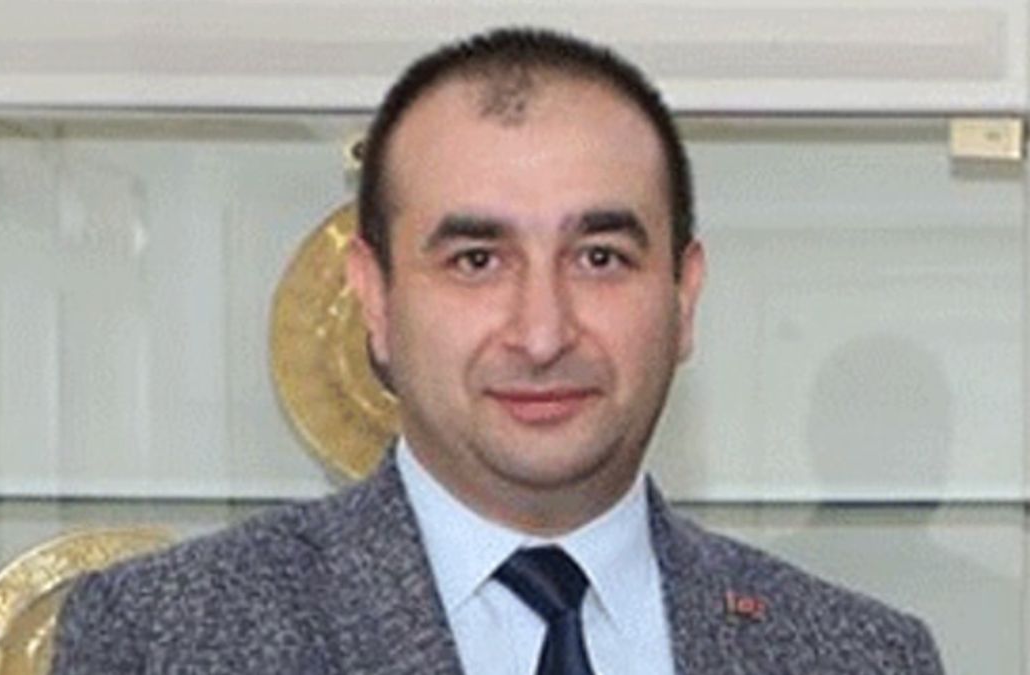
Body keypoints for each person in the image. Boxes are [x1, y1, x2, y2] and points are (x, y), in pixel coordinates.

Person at [51, 27, 944, 674]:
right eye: (476, 260)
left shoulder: (860, 656)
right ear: (374, 297)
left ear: (683, 296)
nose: (543, 333)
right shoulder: (163, 641)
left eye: (600, 258)